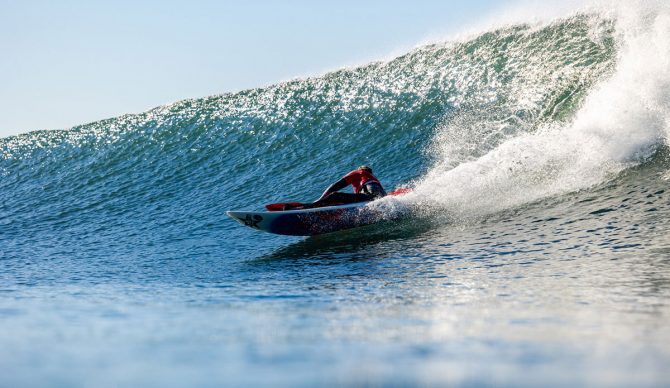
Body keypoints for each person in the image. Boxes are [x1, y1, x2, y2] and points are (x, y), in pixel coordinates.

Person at [308, 165, 386, 208]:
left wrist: (319, 201)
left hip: (370, 195)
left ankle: (312, 207)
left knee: (334, 196)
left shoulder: (359, 172)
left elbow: (334, 186)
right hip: (381, 196)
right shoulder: (374, 179)